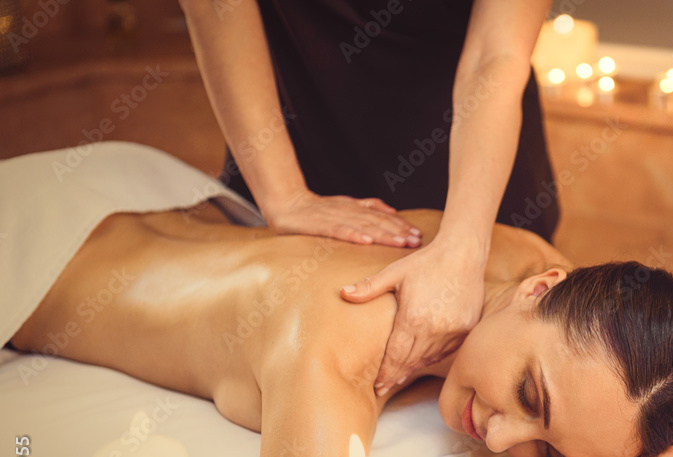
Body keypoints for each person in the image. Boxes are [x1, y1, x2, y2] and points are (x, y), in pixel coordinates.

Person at [7, 152, 673, 457]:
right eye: (527, 396)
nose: (497, 441)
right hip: (35, 250)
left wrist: (650, 440)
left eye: (542, 449)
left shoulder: (523, 266)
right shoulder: (340, 340)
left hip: (143, 197)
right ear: (541, 291)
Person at [179, 0, 560, 402]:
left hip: (478, 177)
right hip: (288, 143)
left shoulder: (530, 281)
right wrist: (285, 196)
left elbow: (494, 56)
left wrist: (464, 249)